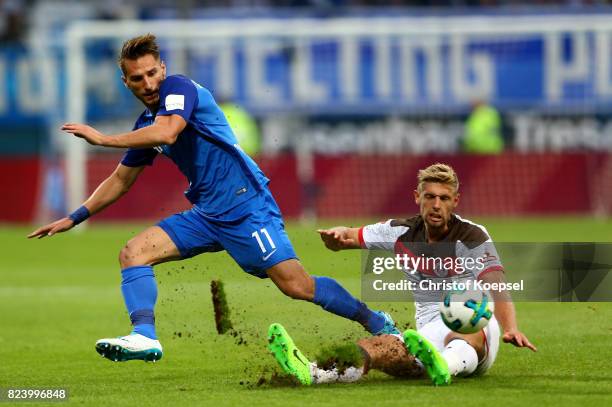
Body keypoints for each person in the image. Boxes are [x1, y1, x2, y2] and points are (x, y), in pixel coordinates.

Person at [27, 33, 399, 363]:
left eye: (152, 73)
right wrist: (73, 217)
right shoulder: (146, 125)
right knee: (133, 253)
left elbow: (171, 132)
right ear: (126, 82)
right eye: (137, 78)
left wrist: (105, 139)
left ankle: (378, 322)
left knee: (296, 286)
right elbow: (121, 180)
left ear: (163, 68)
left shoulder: (179, 88)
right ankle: (144, 336)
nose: (148, 83)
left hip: (247, 206)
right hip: (207, 214)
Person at [269, 163, 536, 385]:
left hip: (476, 327)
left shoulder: (472, 236)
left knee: (464, 325)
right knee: (378, 347)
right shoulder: (400, 232)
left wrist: (511, 328)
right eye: (429, 196)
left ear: (455, 201)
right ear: (417, 197)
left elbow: (496, 284)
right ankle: (314, 373)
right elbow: (352, 235)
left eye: (444, 198)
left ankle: (445, 364)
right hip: (427, 334)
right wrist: (338, 237)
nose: (436, 205)